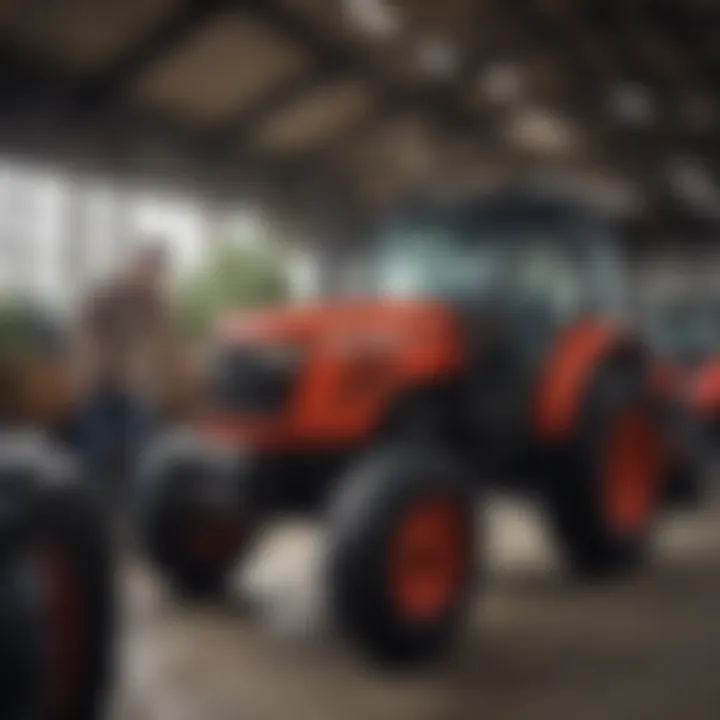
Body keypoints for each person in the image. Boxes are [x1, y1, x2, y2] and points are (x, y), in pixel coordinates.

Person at [74, 240, 188, 490]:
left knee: (140, 447)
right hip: (102, 383)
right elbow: (87, 333)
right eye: (148, 268)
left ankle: (133, 499)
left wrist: (171, 371)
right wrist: (88, 371)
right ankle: (88, 498)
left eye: (158, 271)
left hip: (136, 387)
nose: (153, 276)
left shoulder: (157, 306)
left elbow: (168, 343)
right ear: (135, 265)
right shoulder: (106, 295)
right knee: (96, 449)